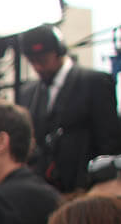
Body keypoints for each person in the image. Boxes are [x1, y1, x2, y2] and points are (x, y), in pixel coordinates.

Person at [15, 25, 121, 193]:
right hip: (45, 191)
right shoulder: (27, 93)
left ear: (59, 51)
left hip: (84, 188)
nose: (38, 67)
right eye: (32, 61)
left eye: (43, 60)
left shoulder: (95, 82)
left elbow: (109, 141)